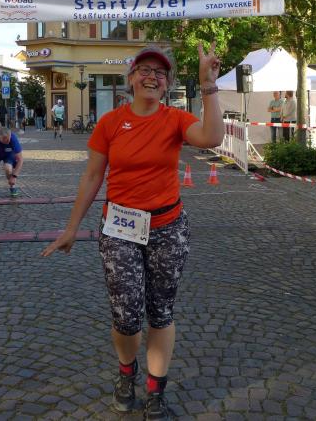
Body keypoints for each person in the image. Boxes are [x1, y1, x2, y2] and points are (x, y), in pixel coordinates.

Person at [40, 43, 225, 420]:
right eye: (145, 70)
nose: (152, 77)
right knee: (126, 316)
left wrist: (208, 84)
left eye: (160, 73)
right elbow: (93, 176)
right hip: (119, 229)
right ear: (131, 78)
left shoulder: (175, 119)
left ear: (167, 83)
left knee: (161, 312)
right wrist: (72, 227)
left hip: (168, 227)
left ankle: (156, 389)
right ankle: (127, 373)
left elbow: (212, 138)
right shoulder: (110, 123)